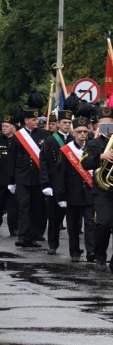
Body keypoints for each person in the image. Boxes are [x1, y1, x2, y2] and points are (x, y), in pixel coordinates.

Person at [82, 106, 113, 272]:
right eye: (103, 124)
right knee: (103, 223)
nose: (107, 127)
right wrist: (101, 157)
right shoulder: (92, 143)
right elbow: (85, 163)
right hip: (103, 190)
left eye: (110, 124)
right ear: (98, 126)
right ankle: (100, 256)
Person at [8, 106, 50, 248]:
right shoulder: (18, 136)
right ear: (26, 120)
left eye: (37, 119)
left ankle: (33, 235)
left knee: (36, 208)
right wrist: (11, 180)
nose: (37, 121)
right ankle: (23, 236)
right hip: (22, 178)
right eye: (33, 119)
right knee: (23, 207)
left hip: (38, 178)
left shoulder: (44, 134)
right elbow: (12, 159)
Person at [53, 117, 95, 262]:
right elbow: (60, 174)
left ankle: (91, 252)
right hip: (72, 194)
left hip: (90, 192)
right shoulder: (66, 151)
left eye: (85, 131)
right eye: (79, 131)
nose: (83, 134)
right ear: (74, 132)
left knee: (90, 224)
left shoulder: (92, 148)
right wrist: (60, 196)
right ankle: (75, 252)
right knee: (73, 226)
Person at [40, 109, 73, 255]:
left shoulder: (74, 140)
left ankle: (75, 248)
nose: (67, 125)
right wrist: (45, 184)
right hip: (54, 184)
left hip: (71, 184)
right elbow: (44, 164)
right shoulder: (50, 140)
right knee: (54, 217)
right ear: (58, 124)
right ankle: (53, 244)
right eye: (64, 122)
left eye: (69, 122)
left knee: (71, 217)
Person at [0, 114, 20, 237]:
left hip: (13, 179)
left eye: (7, 126)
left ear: (13, 128)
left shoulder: (18, 141)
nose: (4, 128)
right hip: (0, 179)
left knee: (13, 206)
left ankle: (14, 228)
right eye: (2, 126)